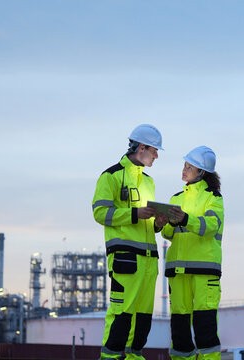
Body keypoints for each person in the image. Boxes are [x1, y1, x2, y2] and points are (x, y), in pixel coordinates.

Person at [92, 124, 168, 360]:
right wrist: (135, 214)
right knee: (121, 313)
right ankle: (110, 358)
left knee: (143, 316)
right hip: (125, 258)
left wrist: (158, 223)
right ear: (142, 147)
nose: (156, 156)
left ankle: (135, 356)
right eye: (155, 150)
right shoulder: (110, 176)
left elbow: (147, 225)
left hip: (148, 261)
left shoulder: (149, 182)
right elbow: (99, 212)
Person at [161, 146, 224, 360]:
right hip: (177, 269)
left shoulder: (213, 198)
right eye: (185, 165)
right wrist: (164, 223)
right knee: (179, 331)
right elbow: (169, 234)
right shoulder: (176, 198)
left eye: (189, 167)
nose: (184, 169)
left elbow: (212, 226)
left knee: (204, 327)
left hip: (204, 269)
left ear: (202, 173)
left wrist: (185, 219)